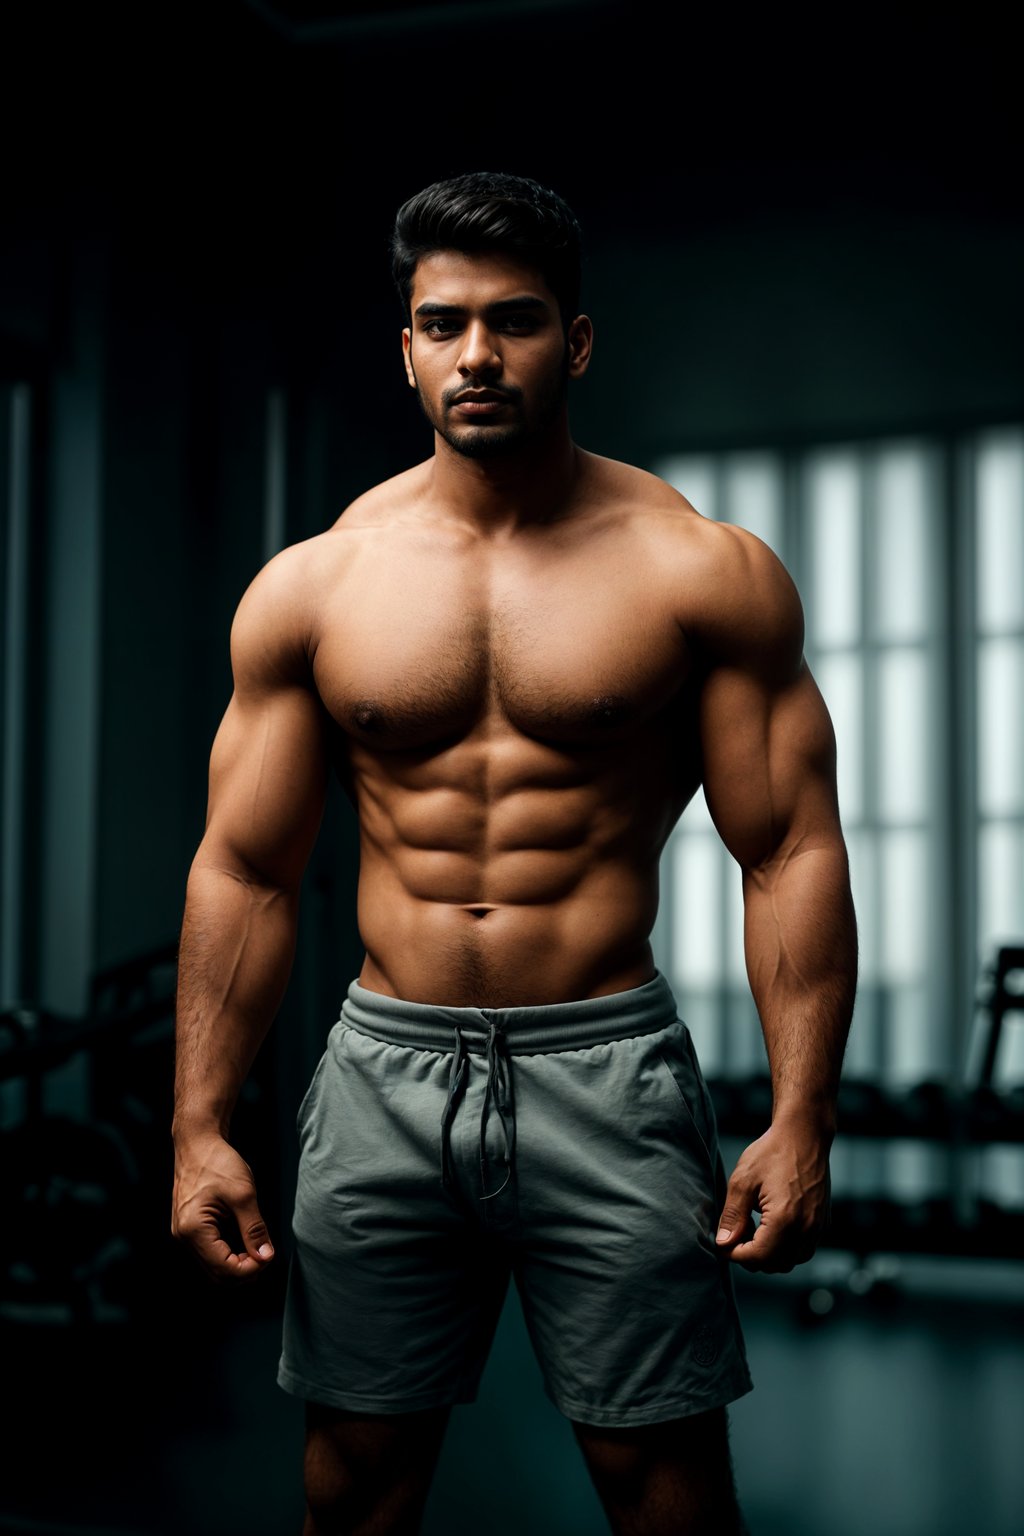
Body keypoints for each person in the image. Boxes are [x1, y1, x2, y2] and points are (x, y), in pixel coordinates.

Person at [171, 171, 858, 1536]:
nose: (478, 354)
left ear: (577, 341)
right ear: (409, 348)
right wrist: (198, 1119)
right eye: (445, 323)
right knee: (356, 1476)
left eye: (516, 320)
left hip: (604, 1066)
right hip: (384, 1072)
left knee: (659, 1480)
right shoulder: (317, 585)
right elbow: (244, 870)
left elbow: (785, 850)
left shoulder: (696, 571)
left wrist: (803, 1114)